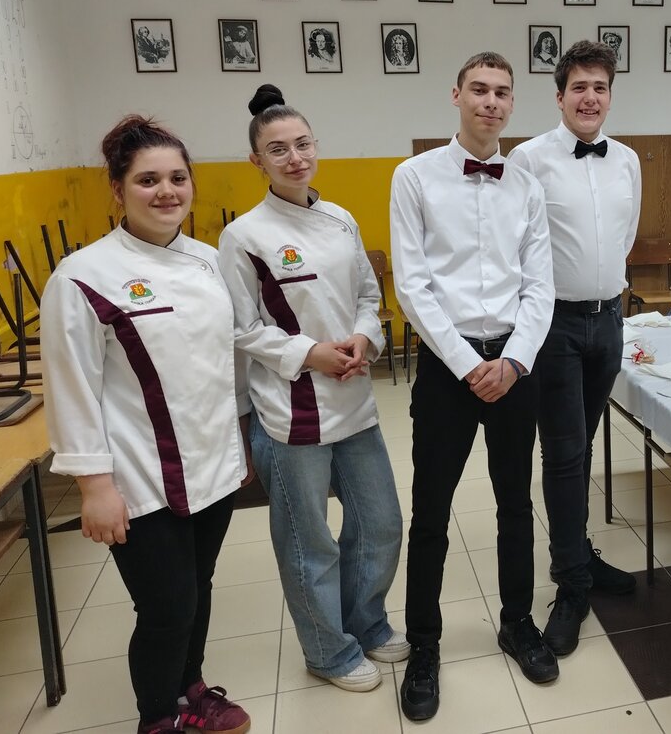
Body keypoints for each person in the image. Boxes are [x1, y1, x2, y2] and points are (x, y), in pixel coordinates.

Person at [41, 116, 251, 734]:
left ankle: (191, 688)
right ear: (118, 189)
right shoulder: (82, 276)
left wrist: (239, 444)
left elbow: (228, 359)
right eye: (147, 180)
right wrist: (94, 487)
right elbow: (71, 388)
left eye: (178, 178)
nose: (166, 192)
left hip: (212, 465)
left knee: (199, 588)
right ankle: (158, 718)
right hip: (139, 475)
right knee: (166, 606)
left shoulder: (210, 262)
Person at [218, 85, 406, 695]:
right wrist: (311, 355)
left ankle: (366, 624)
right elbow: (242, 328)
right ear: (257, 160)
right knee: (309, 542)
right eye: (279, 149)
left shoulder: (341, 219)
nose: (295, 158)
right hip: (292, 411)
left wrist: (363, 339)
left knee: (380, 524)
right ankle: (327, 651)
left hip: (354, 400)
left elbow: (368, 295)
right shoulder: (244, 236)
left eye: (303, 144)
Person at [390, 52, 556, 721]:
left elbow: (541, 284)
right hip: (446, 366)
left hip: (514, 365)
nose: (491, 102)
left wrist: (512, 363)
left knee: (516, 503)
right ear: (456, 95)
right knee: (431, 512)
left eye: (502, 93)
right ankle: (424, 646)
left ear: (513, 104)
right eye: (479, 90)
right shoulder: (414, 177)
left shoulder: (528, 186)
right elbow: (411, 285)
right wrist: (467, 364)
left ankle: (517, 623)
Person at [508, 40, 642, 657]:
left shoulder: (628, 161)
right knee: (563, 453)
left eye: (600, 88)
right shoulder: (529, 159)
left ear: (610, 96)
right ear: (559, 96)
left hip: (608, 320)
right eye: (579, 87)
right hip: (554, 327)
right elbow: (516, 243)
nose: (590, 98)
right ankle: (571, 585)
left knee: (582, 446)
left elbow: (624, 237)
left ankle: (578, 553)